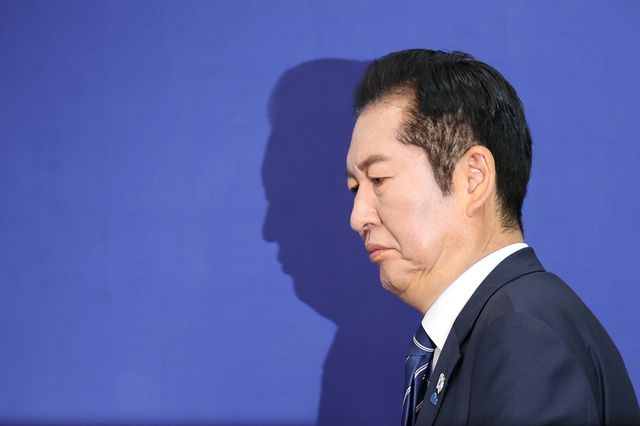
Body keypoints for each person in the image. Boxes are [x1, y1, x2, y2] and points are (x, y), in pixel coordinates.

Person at [345, 49, 639, 426]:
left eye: (378, 179)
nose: (357, 217)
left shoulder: (524, 335)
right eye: (355, 188)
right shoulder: (492, 328)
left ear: (473, 178)